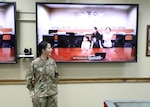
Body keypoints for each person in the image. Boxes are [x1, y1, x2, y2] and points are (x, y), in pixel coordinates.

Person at [25, 41, 59, 107]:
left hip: (52, 94)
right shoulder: (35, 63)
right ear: (43, 50)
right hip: (39, 94)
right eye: (49, 48)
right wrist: (31, 91)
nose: (51, 49)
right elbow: (28, 78)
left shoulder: (52, 62)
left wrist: (54, 86)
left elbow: (56, 75)